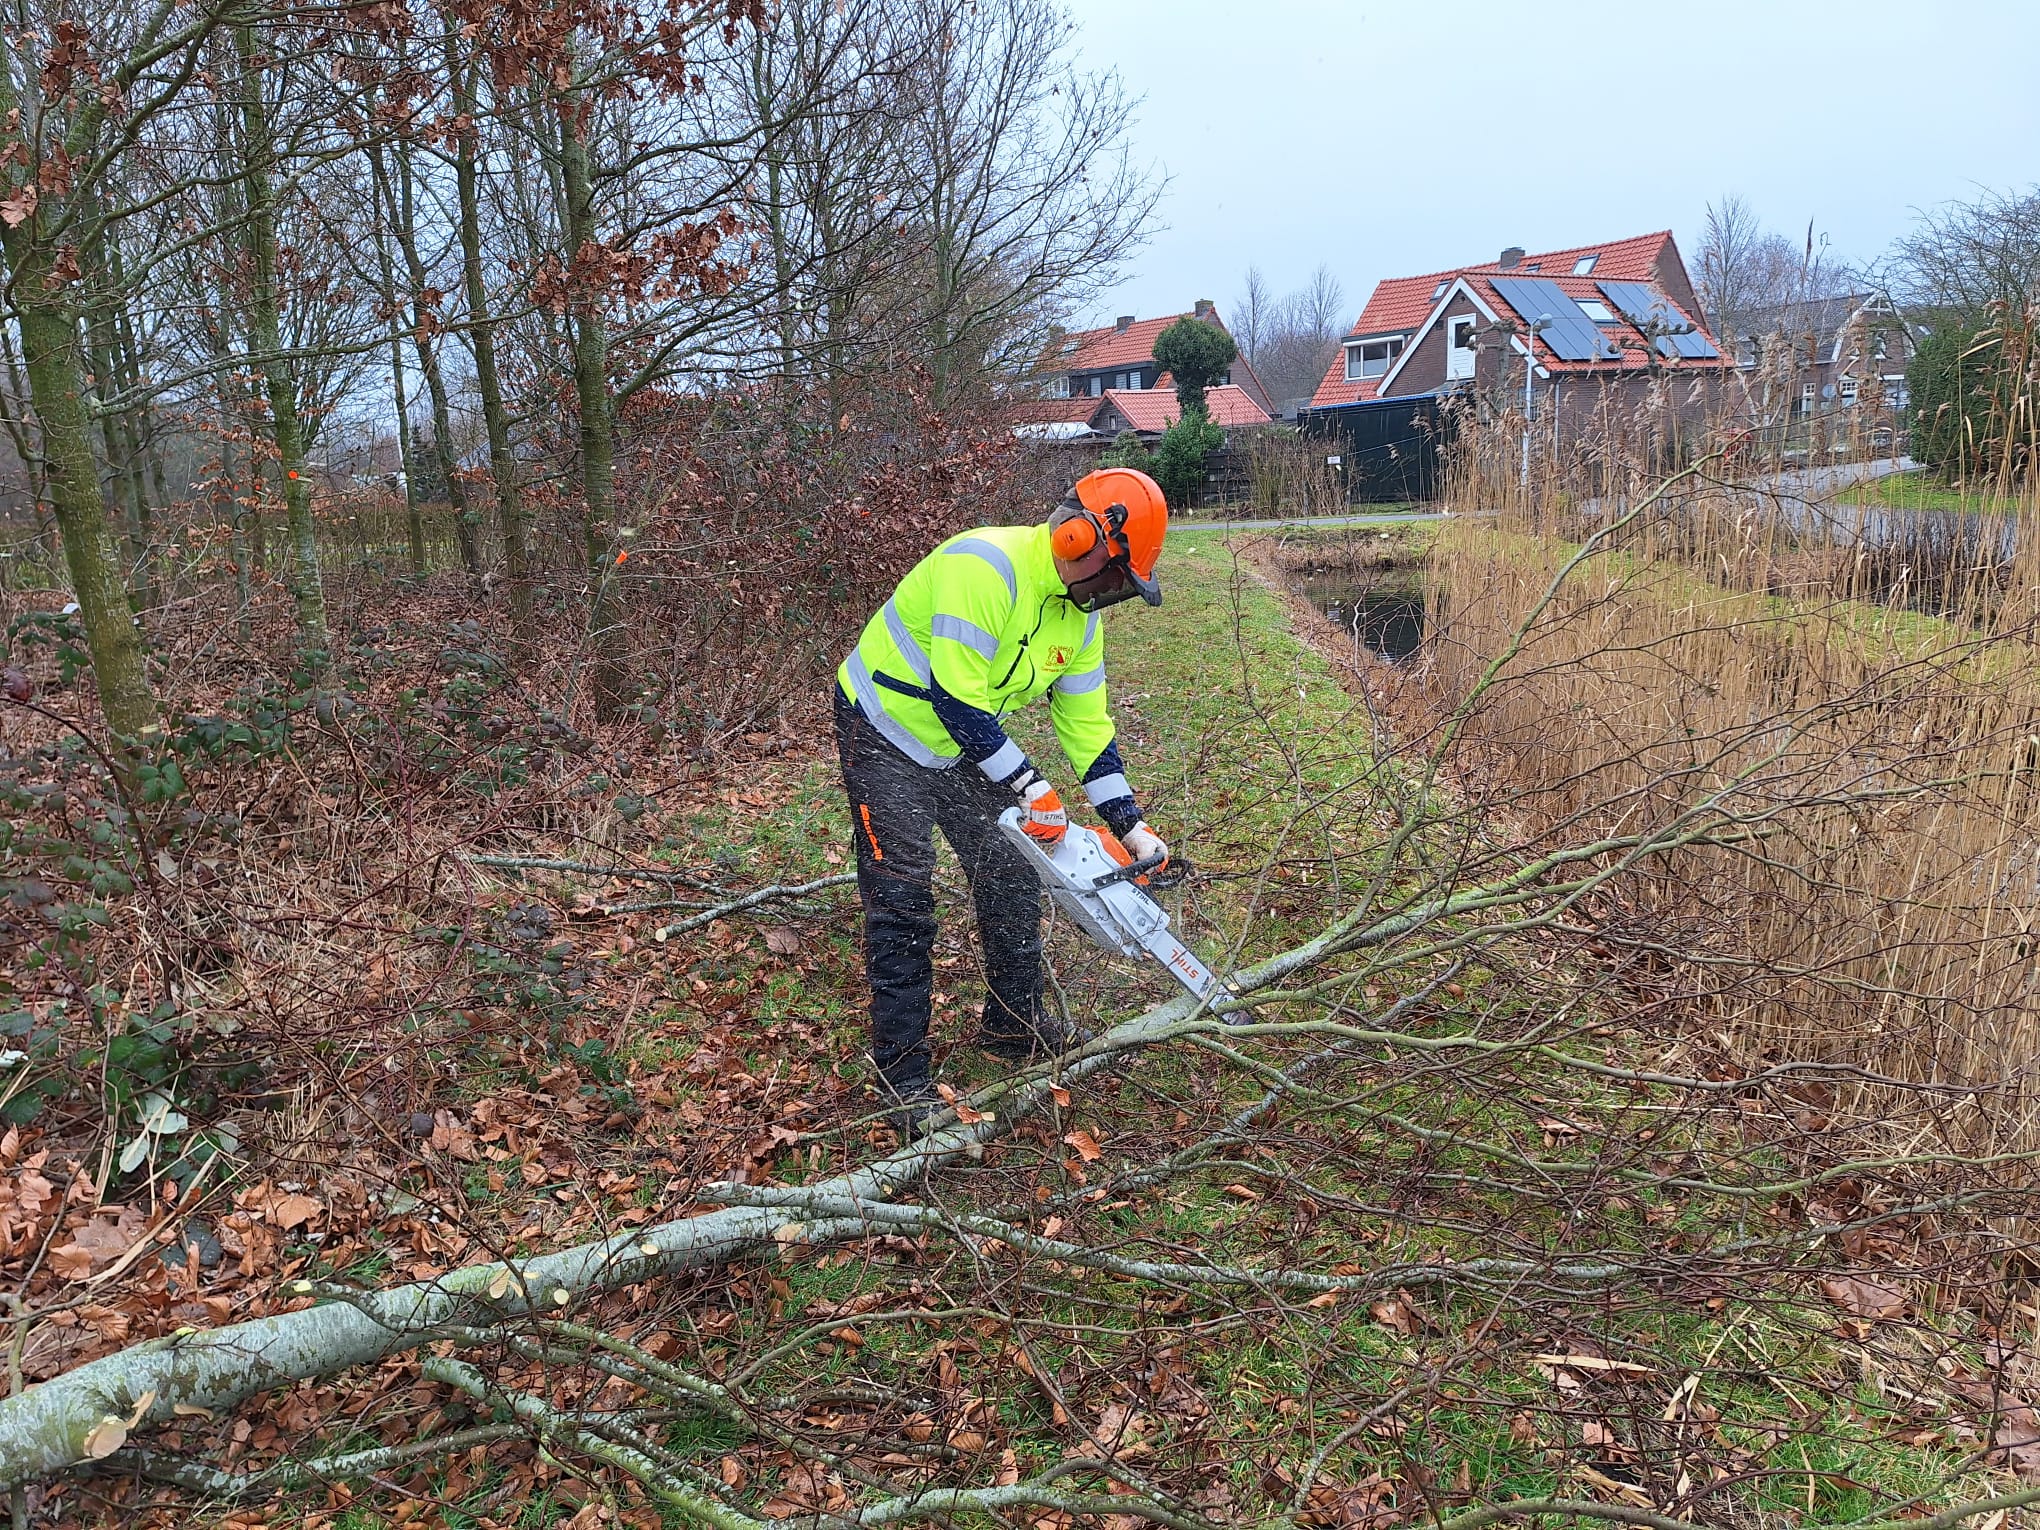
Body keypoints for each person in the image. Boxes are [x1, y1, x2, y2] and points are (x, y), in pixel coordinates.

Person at [833, 467, 1174, 1135]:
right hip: (883, 730)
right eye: (1114, 578)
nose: (1111, 595)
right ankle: (901, 1075)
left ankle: (1013, 1022)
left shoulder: (1076, 623)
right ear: (1081, 538)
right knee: (902, 898)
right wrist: (1030, 787)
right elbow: (956, 699)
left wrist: (1129, 826)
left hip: (965, 745)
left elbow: (1086, 729)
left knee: (1013, 870)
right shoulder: (983, 568)